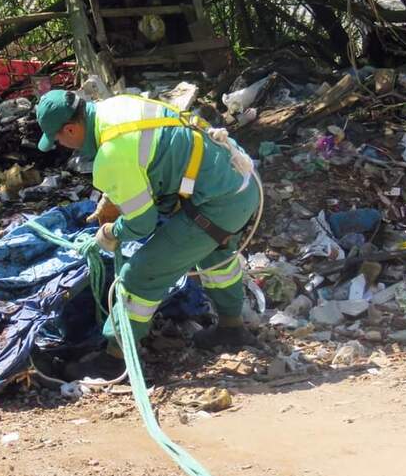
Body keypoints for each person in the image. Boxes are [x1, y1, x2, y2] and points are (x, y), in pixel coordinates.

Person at [36, 89, 260, 354]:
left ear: (71, 130)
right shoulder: (116, 106)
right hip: (240, 181)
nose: (60, 145)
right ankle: (232, 328)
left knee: (138, 277)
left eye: (57, 139)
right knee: (215, 255)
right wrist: (113, 196)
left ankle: (116, 357)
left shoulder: (111, 155)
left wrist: (110, 233)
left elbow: (141, 224)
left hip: (219, 203)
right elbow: (149, 151)